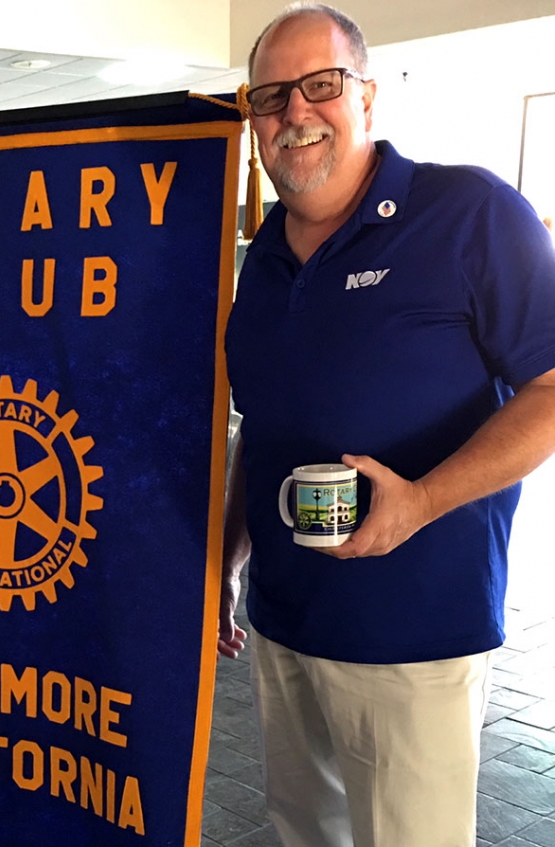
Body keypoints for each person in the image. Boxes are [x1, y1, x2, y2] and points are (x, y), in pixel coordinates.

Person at [219, 3, 555, 845]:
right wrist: (223, 565)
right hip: (285, 624)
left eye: (320, 85)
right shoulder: (259, 263)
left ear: (368, 96)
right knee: (305, 832)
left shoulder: (469, 213)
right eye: (271, 95)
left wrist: (422, 500)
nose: (295, 111)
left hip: (415, 632)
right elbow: (259, 429)